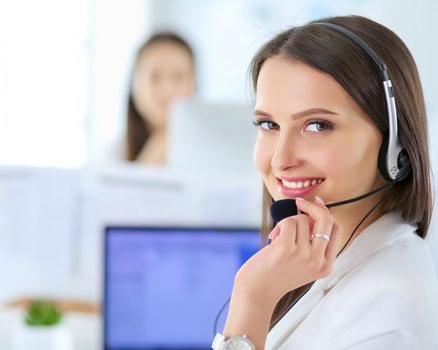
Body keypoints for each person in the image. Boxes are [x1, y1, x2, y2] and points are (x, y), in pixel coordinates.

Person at [212, 15, 438, 350]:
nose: (280, 160)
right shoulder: (318, 265)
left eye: (317, 125)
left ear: (394, 146)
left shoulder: (391, 307)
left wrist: (252, 301)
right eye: (269, 124)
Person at [123, 32, 196, 165]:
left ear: (194, 85)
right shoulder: (112, 156)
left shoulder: (211, 152)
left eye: (178, 76)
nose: (167, 90)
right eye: (154, 77)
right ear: (136, 86)